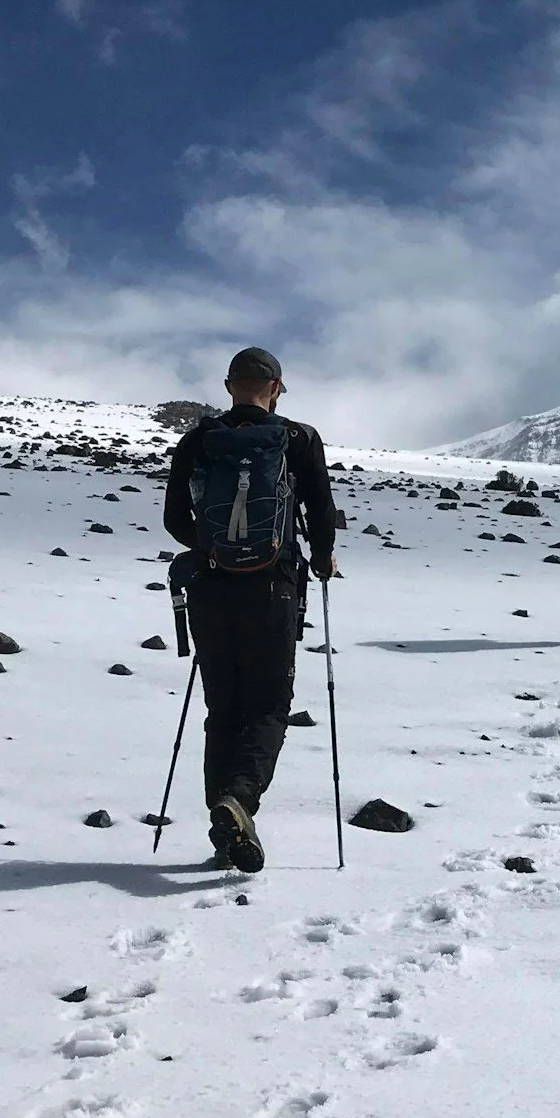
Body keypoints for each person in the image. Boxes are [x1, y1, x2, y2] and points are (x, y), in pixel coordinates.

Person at [162, 347, 338, 873]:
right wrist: (324, 559)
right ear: (276, 387)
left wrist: (212, 551)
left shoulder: (198, 440)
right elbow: (321, 509)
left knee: (224, 711)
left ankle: (225, 832)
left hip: (211, 592)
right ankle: (238, 801)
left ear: (228, 385)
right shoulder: (298, 438)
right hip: (274, 589)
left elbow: (175, 518)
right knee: (268, 706)